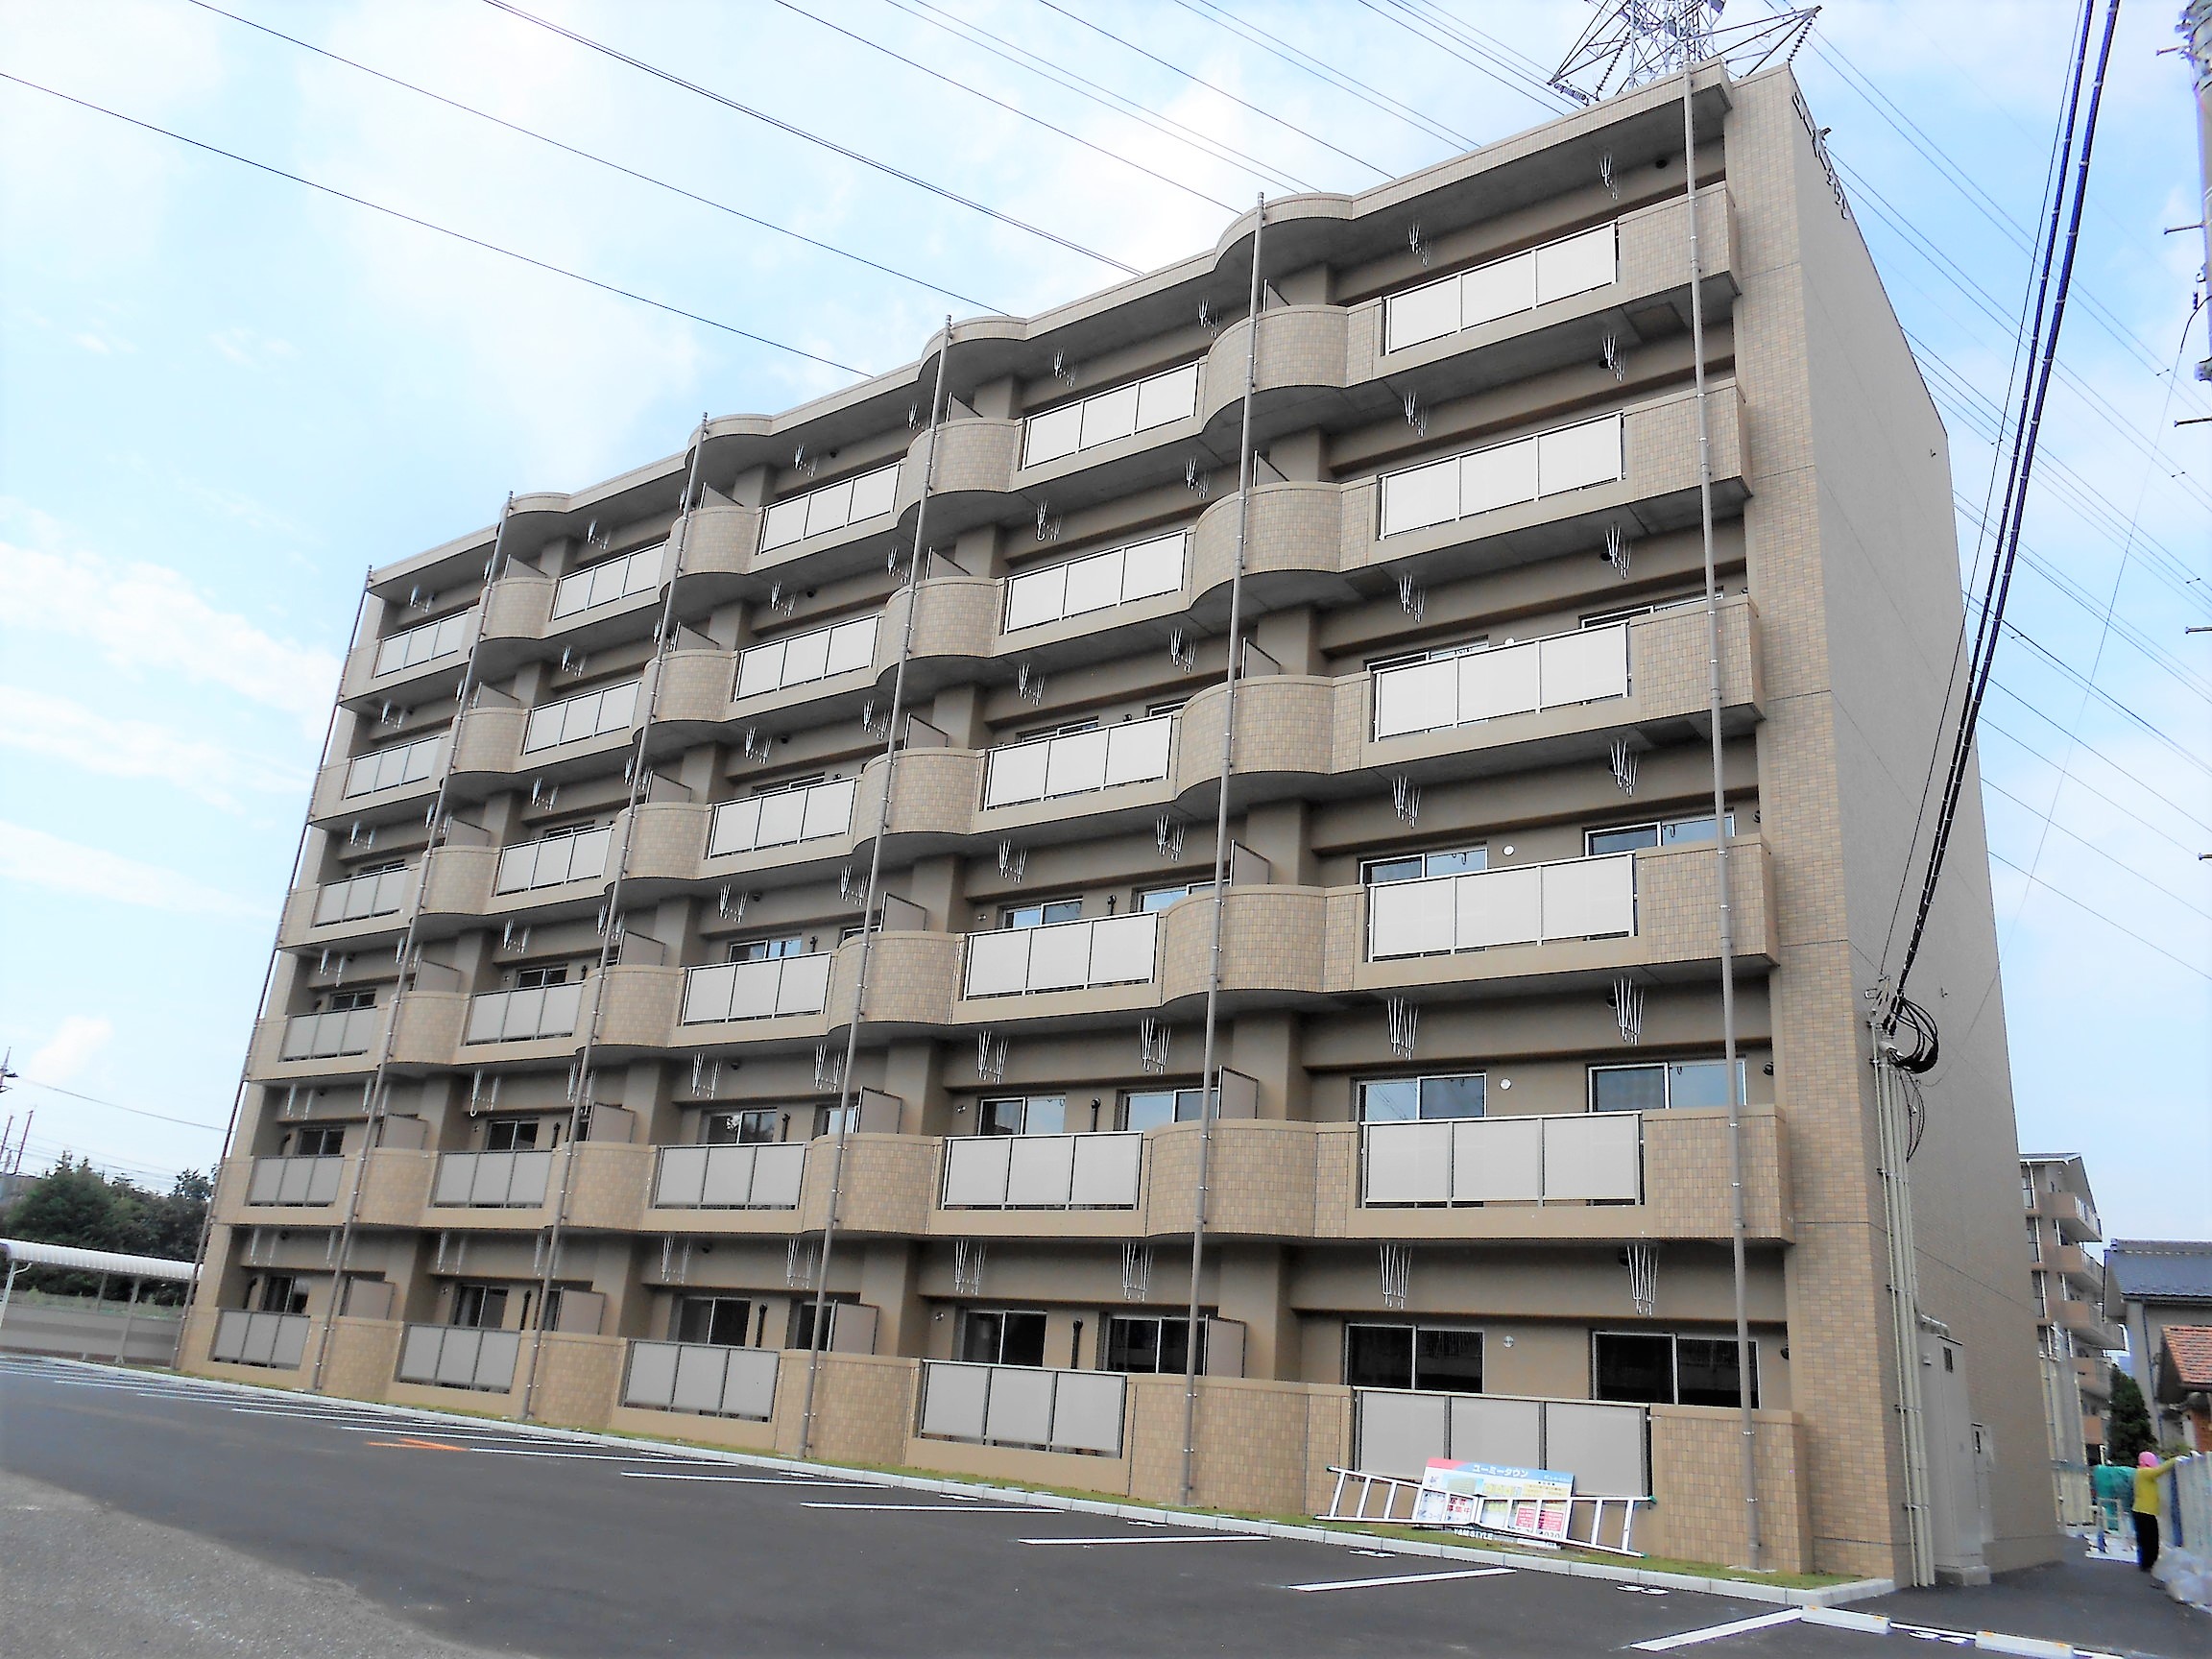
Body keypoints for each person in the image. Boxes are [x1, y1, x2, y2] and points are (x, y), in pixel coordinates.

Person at [2132, 1449, 2182, 1572]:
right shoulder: (2144, 1472)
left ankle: (2146, 1563)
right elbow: (2159, 1471)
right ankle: (2149, 1564)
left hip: (2140, 1510)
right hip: (2145, 1512)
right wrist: (2175, 1460)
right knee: (2151, 1539)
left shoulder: (2140, 1472)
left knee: (2144, 1539)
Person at [2091, 1458, 2132, 1555]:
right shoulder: (2117, 1477)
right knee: (2124, 1522)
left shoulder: (2099, 1477)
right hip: (2115, 1504)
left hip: (2102, 1502)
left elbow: (2094, 1490)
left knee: (2101, 1523)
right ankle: (2126, 1544)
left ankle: (2102, 1545)